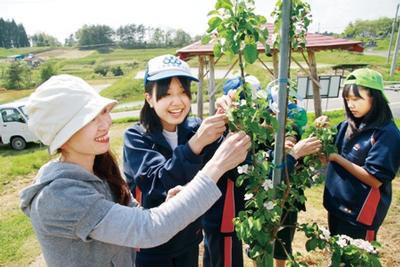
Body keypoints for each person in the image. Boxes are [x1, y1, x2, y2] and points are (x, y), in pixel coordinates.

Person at [19, 74, 251, 267]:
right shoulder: (60, 196)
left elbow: (136, 215)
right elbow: (148, 229)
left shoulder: (100, 172)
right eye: (90, 118)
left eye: (103, 112)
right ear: (62, 134)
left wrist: (168, 202)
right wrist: (216, 165)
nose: (105, 122)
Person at [123, 55, 229, 267]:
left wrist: (228, 116)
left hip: (188, 239)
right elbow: (157, 184)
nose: (177, 101)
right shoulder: (136, 137)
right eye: (166, 94)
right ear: (149, 98)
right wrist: (196, 144)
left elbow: (224, 160)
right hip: (150, 246)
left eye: (183, 92)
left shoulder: (194, 128)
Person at [215, 77, 321, 267]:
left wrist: (294, 146)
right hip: (254, 197)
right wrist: (291, 154)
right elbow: (260, 167)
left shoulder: (265, 126)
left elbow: (291, 142)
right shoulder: (233, 135)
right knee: (259, 242)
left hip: (284, 194)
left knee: (282, 239)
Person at [321, 68, 400, 247]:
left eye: (356, 99)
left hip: (360, 215)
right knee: (339, 254)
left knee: (358, 259)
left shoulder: (387, 134)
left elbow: (375, 180)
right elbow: (328, 148)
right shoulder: (348, 125)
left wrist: (336, 158)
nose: (351, 105)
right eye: (347, 99)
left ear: (375, 98)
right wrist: (322, 130)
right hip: (337, 207)